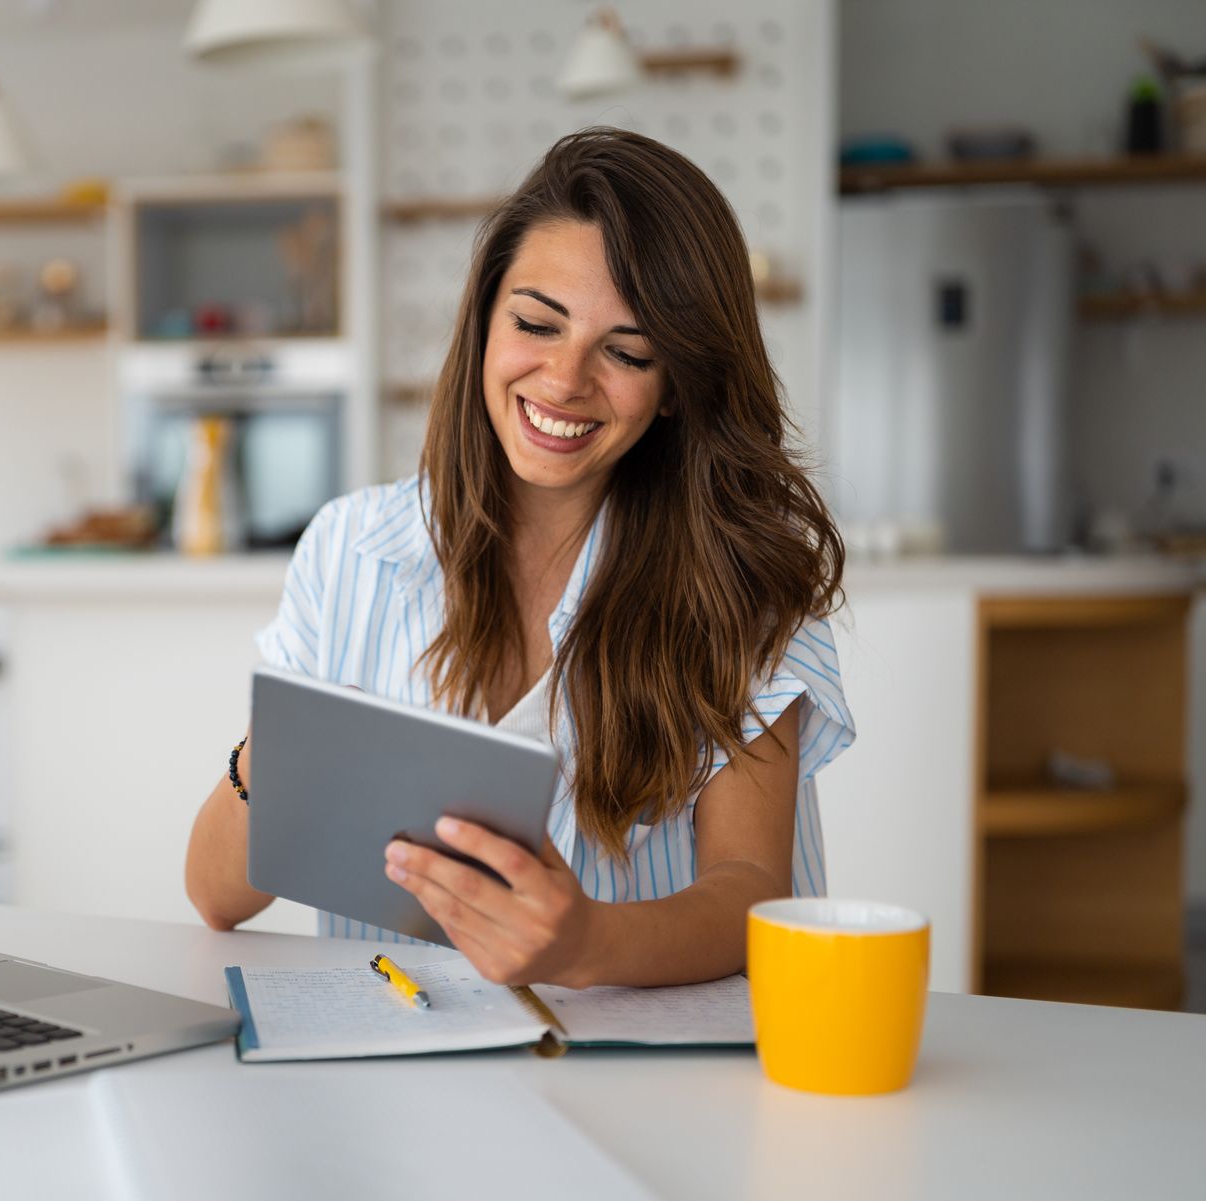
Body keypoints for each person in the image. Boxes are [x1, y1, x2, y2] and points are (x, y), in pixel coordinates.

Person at [183, 127, 855, 990]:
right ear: (485, 320)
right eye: (537, 323)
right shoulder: (349, 550)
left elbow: (755, 892)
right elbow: (214, 897)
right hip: (386, 1078)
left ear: (678, 386)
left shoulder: (738, 587)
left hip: (634, 1083)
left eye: (626, 351)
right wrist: (279, 752)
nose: (566, 379)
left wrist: (586, 945)